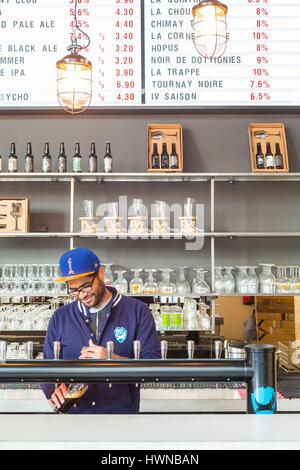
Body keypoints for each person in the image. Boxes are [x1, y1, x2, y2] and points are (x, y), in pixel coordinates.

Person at [41, 247, 161, 414]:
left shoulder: (137, 311)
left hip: (122, 417)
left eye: (85, 286)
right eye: (74, 290)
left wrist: (112, 360)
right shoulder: (60, 317)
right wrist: (52, 388)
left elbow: (154, 367)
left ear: (101, 274)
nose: (81, 295)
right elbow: (46, 367)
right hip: (73, 418)